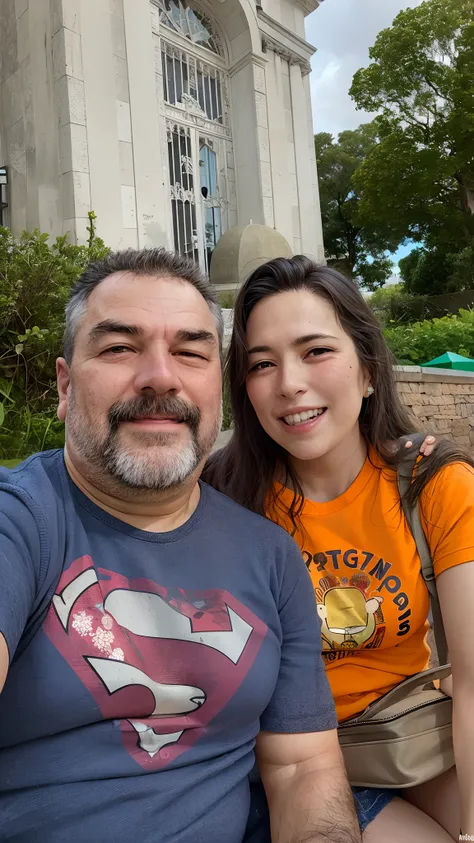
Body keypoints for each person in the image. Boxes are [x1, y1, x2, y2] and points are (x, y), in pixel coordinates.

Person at [0, 248, 363, 843]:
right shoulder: (21, 519)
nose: (160, 377)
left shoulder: (271, 555)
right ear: (65, 385)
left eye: (191, 352)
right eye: (120, 348)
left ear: (217, 389)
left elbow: (303, 769)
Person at [204, 255, 474, 842]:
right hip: (297, 760)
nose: (289, 383)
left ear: (369, 367)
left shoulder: (433, 485)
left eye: (316, 351)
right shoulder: (221, 501)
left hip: (407, 739)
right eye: (261, 364)